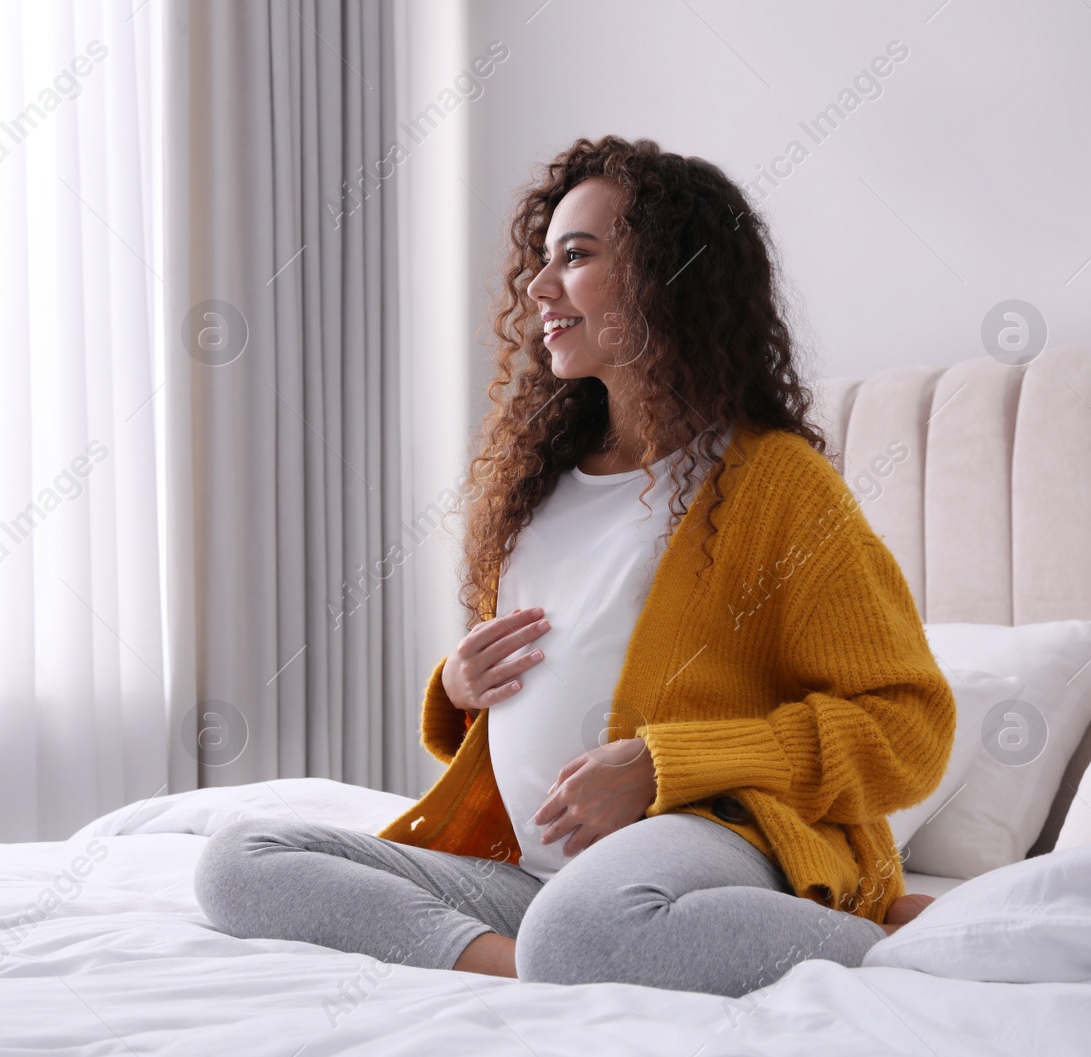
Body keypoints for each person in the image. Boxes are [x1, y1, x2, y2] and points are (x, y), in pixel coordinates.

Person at [194, 135, 953, 996]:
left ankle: (872, 937)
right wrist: (457, 690)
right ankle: (541, 961)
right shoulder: (538, 482)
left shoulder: (778, 487)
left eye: (577, 257)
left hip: (714, 834)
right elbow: (540, 692)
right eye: (541, 259)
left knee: (590, 921)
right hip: (533, 876)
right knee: (239, 859)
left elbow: (908, 729)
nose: (538, 287)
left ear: (672, 273)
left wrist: (662, 765)